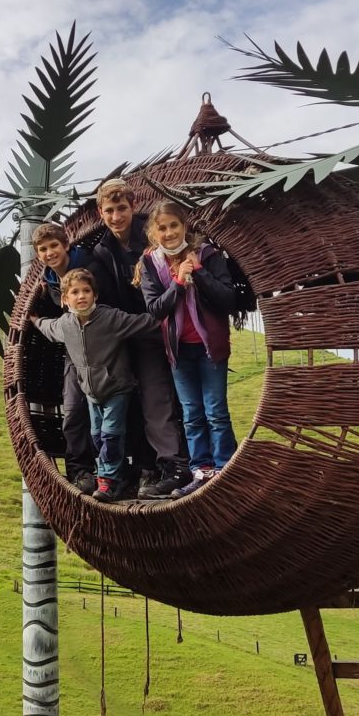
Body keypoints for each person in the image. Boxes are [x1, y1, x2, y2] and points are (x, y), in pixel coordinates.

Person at [90, 179, 191, 498]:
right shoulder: (102, 250)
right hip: (122, 335)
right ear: (100, 213)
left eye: (122, 208)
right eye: (110, 210)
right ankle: (139, 468)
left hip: (155, 329)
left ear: (134, 206)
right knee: (125, 403)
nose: (117, 216)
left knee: (156, 399)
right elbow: (103, 298)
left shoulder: (153, 234)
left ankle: (174, 465)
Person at [135, 200, 238, 498]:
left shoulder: (208, 254)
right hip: (179, 351)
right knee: (192, 414)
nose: (169, 233)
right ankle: (201, 474)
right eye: (162, 228)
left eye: (174, 226)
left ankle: (223, 473)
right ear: (154, 232)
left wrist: (200, 272)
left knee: (216, 412)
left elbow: (228, 299)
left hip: (210, 348)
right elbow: (155, 309)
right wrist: (179, 283)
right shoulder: (151, 264)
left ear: (184, 226)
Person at [31, 269, 158, 503]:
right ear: (65, 299)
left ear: (95, 295)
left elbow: (144, 323)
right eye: (75, 292)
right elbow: (48, 328)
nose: (81, 296)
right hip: (91, 393)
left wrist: (168, 315)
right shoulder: (65, 324)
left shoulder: (110, 318)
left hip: (117, 388)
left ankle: (107, 482)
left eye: (86, 291)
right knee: (97, 436)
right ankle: (118, 474)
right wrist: (35, 319)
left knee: (110, 435)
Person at [31, 222, 95, 494]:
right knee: (72, 410)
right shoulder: (50, 278)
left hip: (103, 347)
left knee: (106, 412)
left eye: (54, 246)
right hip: (74, 351)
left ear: (66, 244)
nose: (49, 253)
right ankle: (80, 472)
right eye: (43, 249)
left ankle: (113, 470)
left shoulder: (89, 266)